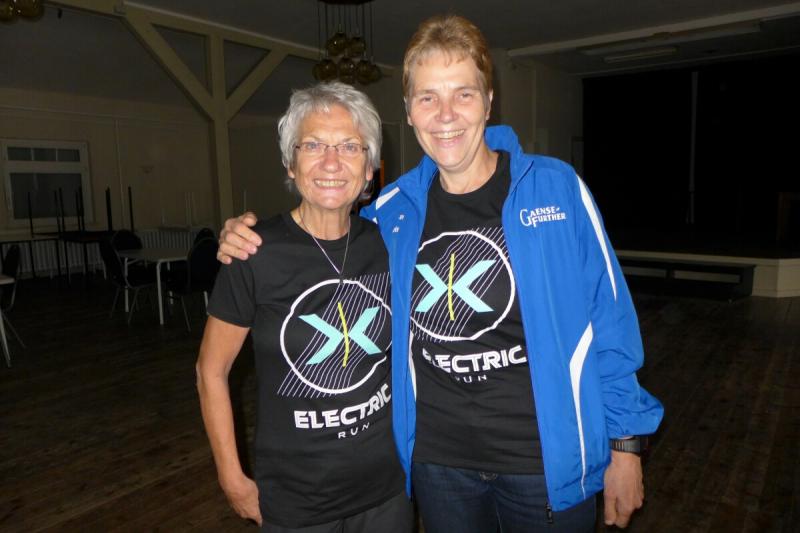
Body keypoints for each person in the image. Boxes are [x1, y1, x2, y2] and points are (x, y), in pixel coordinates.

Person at [217, 15, 663, 532]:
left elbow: (609, 322)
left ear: (488, 102)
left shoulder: (554, 190)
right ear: (408, 110)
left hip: (544, 465)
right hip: (438, 468)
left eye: (463, 94)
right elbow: (324, 223)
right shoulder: (392, 213)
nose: (445, 114)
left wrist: (626, 446)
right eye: (428, 97)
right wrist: (242, 235)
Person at [196, 82, 412, 532]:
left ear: (370, 168)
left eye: (349, 146)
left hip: (387, 489)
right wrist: (231, 477)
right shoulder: (254, 251)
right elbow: (210, 371)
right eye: (312, 145)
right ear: (290, 164)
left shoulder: (390, 244)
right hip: (297, 499)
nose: (331, 162)